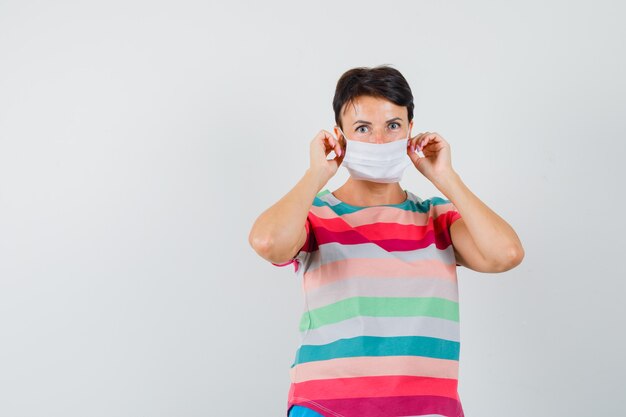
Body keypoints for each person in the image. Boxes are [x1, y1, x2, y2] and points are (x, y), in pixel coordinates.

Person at [248, 65, 524, 417]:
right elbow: (268, 241)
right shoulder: (314, 215)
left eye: (393, 125)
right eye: (363, 128)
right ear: (341, 137)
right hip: (327, 408)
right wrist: (316, 173)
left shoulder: (437, 218)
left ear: (410, 130)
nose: (379, 140)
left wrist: (445, 177)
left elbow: (507, 254)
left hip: (427, 410)